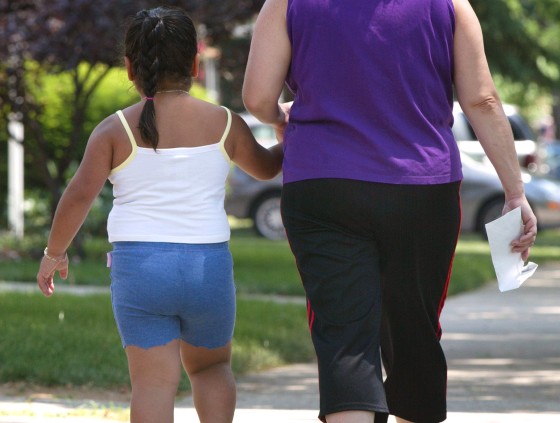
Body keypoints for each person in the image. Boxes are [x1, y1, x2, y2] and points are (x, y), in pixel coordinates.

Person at [242, 0, 537, 422]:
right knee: (414, 330)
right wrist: (514, 192)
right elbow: (483, 100)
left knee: (343, 334)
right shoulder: (450, 5)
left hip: (324, 185)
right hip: (422, 188)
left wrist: (280, 118)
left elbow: (256, 96)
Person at [36, 6, 285, 423]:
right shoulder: (225, 124)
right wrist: (288, 135)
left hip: (141, 269)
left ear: (130, 68)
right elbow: (267, 168)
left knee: (152, 384)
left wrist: (53, 252)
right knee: (212, 368)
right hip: (208, 268)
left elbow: (78, 196)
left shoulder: (114, 130)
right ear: (193, 63)